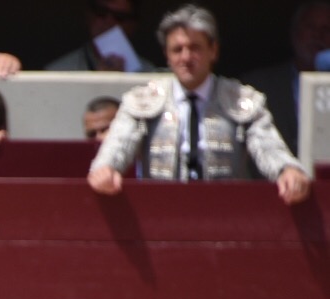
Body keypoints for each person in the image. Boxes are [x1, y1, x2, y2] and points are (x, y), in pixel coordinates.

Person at [89, 5, 313, 207]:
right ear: (167, 56)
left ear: (213, 50)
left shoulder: (240, 100)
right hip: (160, 214)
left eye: (195, 47)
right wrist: (105, 168)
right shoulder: (142, 101)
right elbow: (118, 144)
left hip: (225, 215)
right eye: (177, 49)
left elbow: (267, 145)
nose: (186, 57)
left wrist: (287, 169)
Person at [243, 0, 330, 155]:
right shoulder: (258, 86)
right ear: (295, 32)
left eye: (326, 29)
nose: (318, 35)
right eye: (310, 27)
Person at [47, 0, 145, 72]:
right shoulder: (58, 72)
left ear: (133, 25)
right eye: (101, 12)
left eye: (120, 17)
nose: (108, 21)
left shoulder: (150, 78)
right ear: (88, 15)